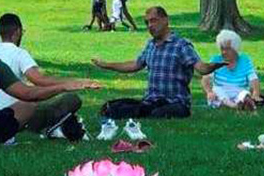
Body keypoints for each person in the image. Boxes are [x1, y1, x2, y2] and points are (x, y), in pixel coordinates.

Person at [92, 6, 225, 119]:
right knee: (112, 107)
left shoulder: (181, 45)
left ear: (165, 20)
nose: (150, 26)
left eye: (153, 20)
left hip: (176, 103)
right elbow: (135, 65)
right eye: (147, 22)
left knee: (156, 114)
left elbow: (201, 68)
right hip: (151, 101)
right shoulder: (150, 45)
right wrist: (107, 65)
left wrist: (216, 65)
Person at [201, 29, 261, 110]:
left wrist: (256, 94)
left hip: (239, 90)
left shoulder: (245, 60)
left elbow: (253, 79)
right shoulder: (216, 60)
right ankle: (234, 105)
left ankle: (244, 102)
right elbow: (205, 78)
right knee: (216, 90)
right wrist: (209, 92)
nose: (224, 52)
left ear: (235, 48)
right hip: (221, 90)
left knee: (244, 93)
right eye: (222, 49)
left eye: (227, 49)